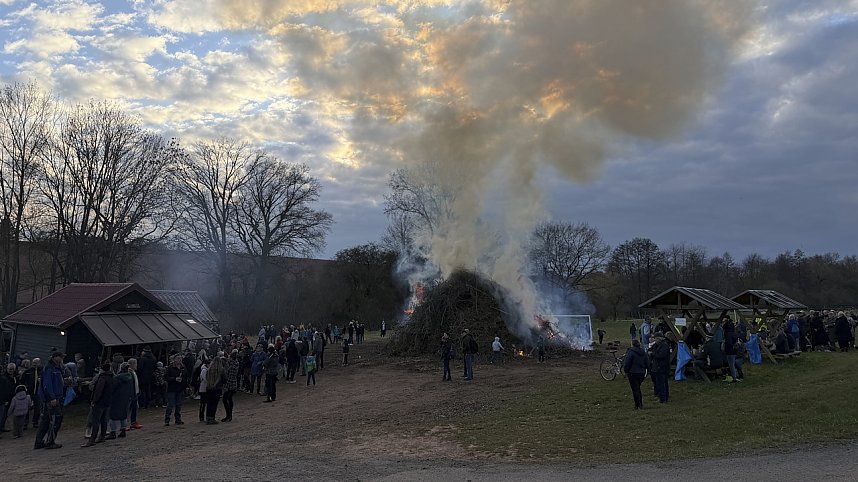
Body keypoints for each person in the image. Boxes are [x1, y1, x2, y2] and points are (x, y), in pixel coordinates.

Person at [33, 351, 66, 449]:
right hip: (52, 399)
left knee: (45, 420)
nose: (61, 359)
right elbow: (47, 385)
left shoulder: (57, 368)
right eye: (60, 357)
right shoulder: (49, 368)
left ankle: (39, 442)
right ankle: (50, 441)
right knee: (56, 418)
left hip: (55, 397)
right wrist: (52, 398)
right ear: (55, 357)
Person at [81, 363, 113, 448]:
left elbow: (98, 391)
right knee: (104, 420)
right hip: (107, 402)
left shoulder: (102, 378)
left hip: (99, 403)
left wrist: (94, 401)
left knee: (96, 421)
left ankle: (92, 439)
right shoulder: (111, 377)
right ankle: (102, 436)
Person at [108, 363, 134, 440]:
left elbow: (112, 388)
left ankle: (113, 432)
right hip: (126, 398)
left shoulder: (117, 378)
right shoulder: (130, 377)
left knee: (113, 415)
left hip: (116, 398)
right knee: (124, 414)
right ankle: (123, 430)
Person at [622, 340, 649, 410]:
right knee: (638, 388)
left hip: (632, 373)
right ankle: (640, 403)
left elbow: (627, 362)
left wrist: (626, 370)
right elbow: (647, 362)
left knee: (635, 389)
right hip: (641, 373)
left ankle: (637, 405)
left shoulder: (630, 352)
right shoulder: (643, 352)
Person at [164, 355, 186, 426]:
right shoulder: (170, 368)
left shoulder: (183, 367)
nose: (180, 360)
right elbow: (165, 377)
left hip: (180, 389)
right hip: (172, 389)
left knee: (178, 405)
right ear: (174, 360)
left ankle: (178, 419)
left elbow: (186, 376)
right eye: (178, 358)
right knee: (170, 405)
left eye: (181, 358)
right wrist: (174, 379)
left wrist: (186, 385)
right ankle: (167, 420)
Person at [205, 355, 226, 424]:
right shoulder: (221, 370)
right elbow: (224, 380)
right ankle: (212, 418)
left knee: (209, 403)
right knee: (214, 404)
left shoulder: (209, 369)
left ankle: (208, 418)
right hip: (217, 388)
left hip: (209, 388)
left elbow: (206, 378)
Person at [649, 335, 670, 403]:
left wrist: (653, 354)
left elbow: (661, 355)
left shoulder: (664, 346)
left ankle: (663, 398)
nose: (655, 340)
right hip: (657, 367)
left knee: (662, 383)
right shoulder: (656, 345)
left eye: (656, 339)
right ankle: (660, 396)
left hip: (661, 367)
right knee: (659, 383)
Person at [0, 362, 17, 433]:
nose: (10, 371)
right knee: (2, 414)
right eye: (9, 369)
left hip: (11, 398)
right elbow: (3, 390)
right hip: (4, 399)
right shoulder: (4, 378)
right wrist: (5, 400)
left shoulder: (15, 377)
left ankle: (2, 427)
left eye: (12, 369)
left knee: (6, 414)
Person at [222, 351, 239, 422]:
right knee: (229, 399)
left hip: (229, 383)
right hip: (233, 383)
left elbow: (228, 374)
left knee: (225, 399)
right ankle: (229, 415)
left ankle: (228, 415)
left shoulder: (231, 364)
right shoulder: (236, 363)